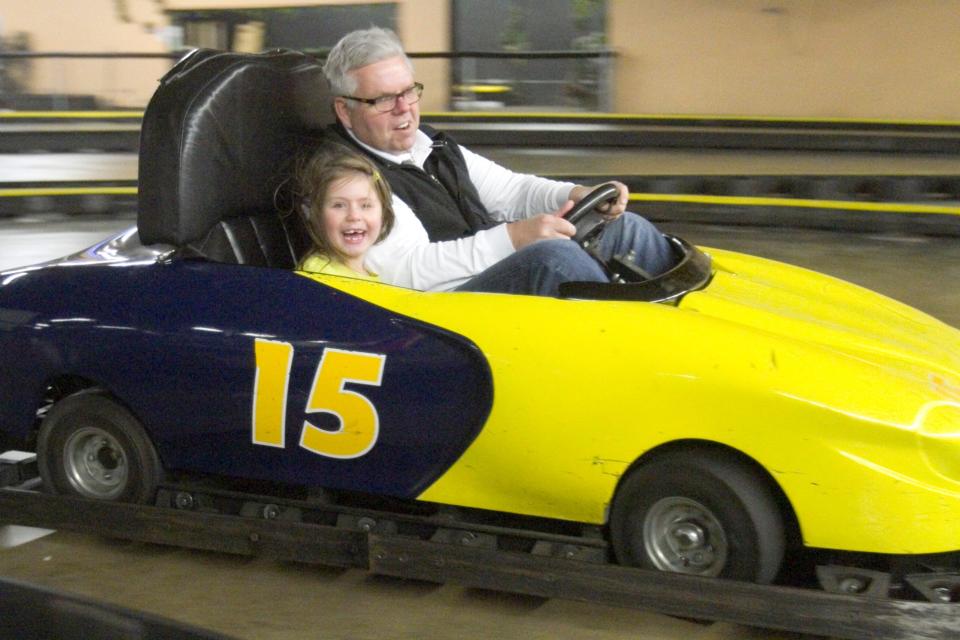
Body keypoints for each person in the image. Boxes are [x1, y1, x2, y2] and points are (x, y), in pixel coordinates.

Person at [321, 26, 676, 296]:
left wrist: (576, 193)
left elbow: (511, 191)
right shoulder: (349, 176)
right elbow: (406, 269)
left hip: (489, 273)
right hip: (442, 310)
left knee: (623, 227)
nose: (405, 108)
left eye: (408, 91)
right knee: (555, 260)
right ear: (345, 111)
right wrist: (514, 238)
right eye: (384, 99)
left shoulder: (428, 144)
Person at [291, 143, 396, 280]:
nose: (354, 216)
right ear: (316, 213)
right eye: (339, 205)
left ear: (384, 213)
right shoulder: (318, 276)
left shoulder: (367, 274)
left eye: (365, 205)